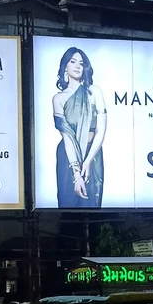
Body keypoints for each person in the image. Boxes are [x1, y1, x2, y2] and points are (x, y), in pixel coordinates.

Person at [53, 47, 107, 208]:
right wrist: (76, 173)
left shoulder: (94, 92)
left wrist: (88, 161)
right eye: (73, 61)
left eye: (81, 63)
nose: (77, 66)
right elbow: (67, 137)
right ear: (65, 67)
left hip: (93, 153)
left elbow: (101, 130)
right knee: (68, 206)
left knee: (93, 207)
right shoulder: (58, 99)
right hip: (68, 158)